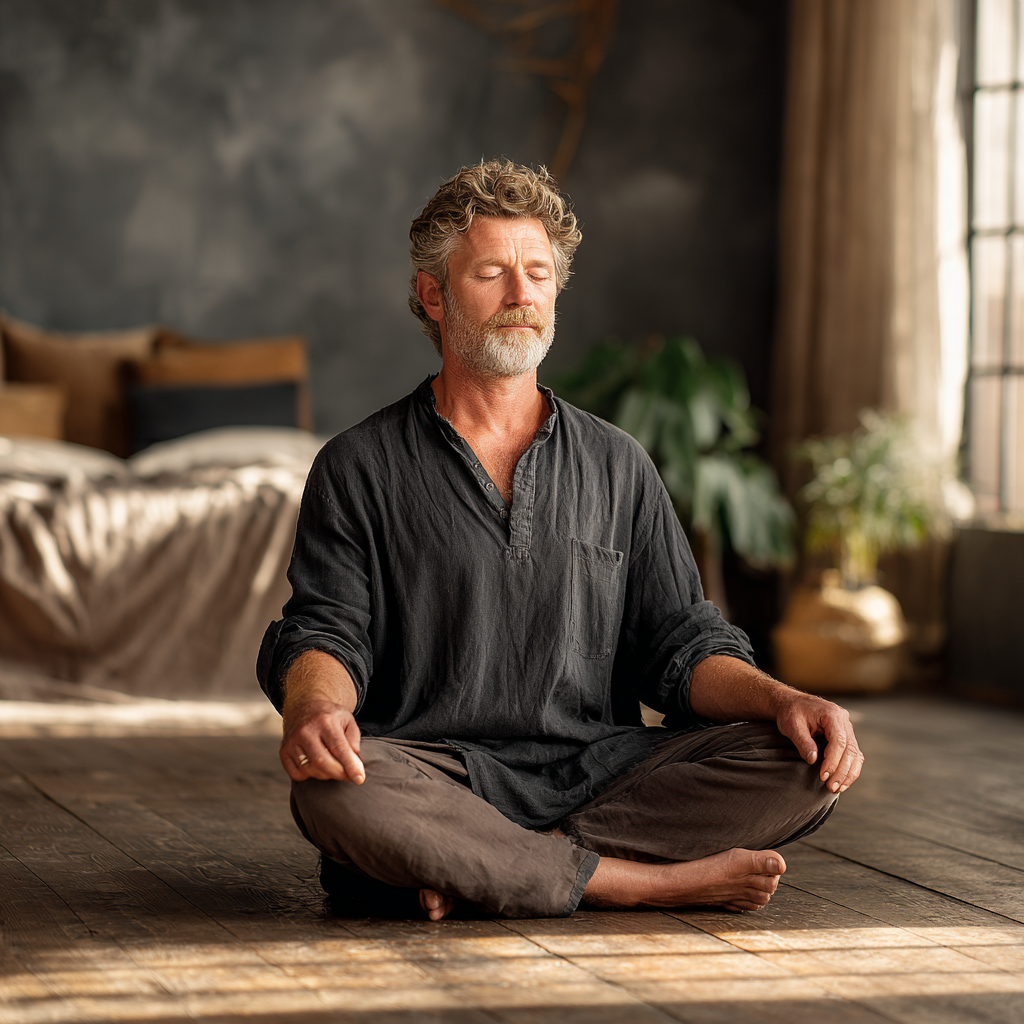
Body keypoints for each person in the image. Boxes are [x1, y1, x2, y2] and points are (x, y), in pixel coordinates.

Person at [257, 160, 864, 921]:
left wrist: (787, 699)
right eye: (493, 273)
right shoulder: (357, 466)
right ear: (434, 296)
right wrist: (314, 710)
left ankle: (476, 865)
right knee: (335, 792)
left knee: (803, 761)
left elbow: (682, 644)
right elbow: (328, 632)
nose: (522, 296)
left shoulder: (618, 462)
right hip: (437, 771)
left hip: (601, 772)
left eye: (538, 274)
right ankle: (632, 881)